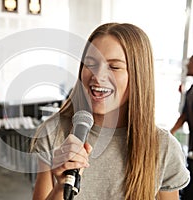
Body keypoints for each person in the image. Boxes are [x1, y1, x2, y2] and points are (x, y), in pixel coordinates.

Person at [31, 23, 190, 200]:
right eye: (90, 63)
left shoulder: (163, 147)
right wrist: (61, 187)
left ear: (139, 76)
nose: (97, 76)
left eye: (114, 67)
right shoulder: (54, 132)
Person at [171, 55, 193, 199]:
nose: (187, 64)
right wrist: (170, 134)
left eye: (190, 61)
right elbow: (185, 115)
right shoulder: (191, 90)